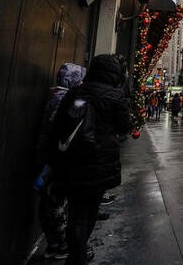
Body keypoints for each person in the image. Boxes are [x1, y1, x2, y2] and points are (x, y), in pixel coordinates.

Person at [50, 54, 132, 265]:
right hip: (101, 162)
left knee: (76, 211)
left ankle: (76, 256)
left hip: (73, 162)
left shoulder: (76, 92)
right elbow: (125, 127)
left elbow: (58, 124)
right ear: (115, 74)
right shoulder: (116, 96)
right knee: (92, 208)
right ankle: (79, 253)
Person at [35, 62, 86, 260]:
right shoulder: (65, 99)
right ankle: (61, 243)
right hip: (57, 159)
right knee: (54, 201)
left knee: (51, 201)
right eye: (79, 78)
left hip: (49, 158)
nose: (82, 82)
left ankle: (55, 242)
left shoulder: (58, 97)